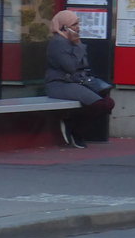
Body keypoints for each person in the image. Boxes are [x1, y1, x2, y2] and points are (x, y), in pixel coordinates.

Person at [44, 10, 115, 149]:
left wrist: (77, 45)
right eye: (74, 24)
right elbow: (70, 66)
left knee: (107, 102)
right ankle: (75, 130)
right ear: (64, 26)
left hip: (77, 81)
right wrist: (78, 46)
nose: (78, 27)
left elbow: (84, 65)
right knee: (98, 104)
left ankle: (74, 123)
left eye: (78, 24)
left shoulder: (72, 40)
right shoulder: (58, 43)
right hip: (60, 84)